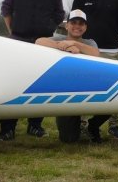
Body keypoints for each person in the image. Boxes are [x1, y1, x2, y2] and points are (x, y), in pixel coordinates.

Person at [0, 0, 65, 141]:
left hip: (43, 42)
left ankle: (35, 125)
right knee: (13, 83)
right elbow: (6, 8)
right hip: (18, 39)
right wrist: (13, 30)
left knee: (40, 84)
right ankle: (7, 127)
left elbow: (59, 12)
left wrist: (48, 26)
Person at [72, 0, 118, 139]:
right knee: (84, 86)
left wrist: (110, 36)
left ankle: (113, 124)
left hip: (110, 50)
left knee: (113, 87)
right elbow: (75, 22)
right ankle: (82, 124)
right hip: (85, 48)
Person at [35, 9, 103, 143]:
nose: (77, 26)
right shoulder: (58, 38)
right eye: (73, 22)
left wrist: (75, 44)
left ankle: (92, 126)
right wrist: (63, 47)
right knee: (69, 139)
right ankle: (78, 125)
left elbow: (96, 54)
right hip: (67, 92)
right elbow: (38, 41)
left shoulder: (90, 42)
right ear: (66, 25)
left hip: (88, 89)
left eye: (81, 24)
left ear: (85, 27)